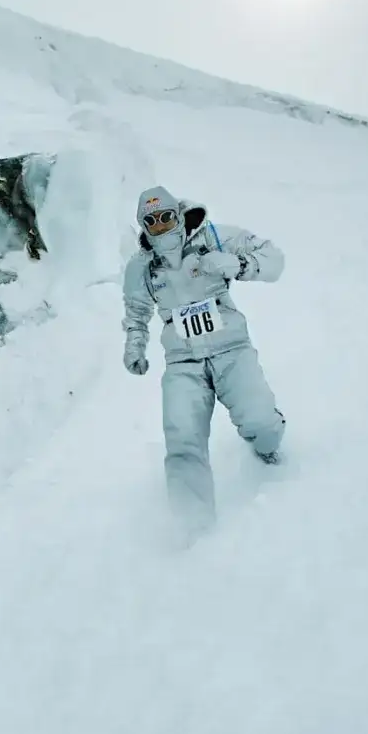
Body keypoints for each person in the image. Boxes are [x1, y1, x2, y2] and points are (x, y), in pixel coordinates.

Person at [121, 185, 286, 530]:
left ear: (179, 215)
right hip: (183, 363)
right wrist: (134, 345)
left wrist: (238, 264)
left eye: (167, 216)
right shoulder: (141, 267)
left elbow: (274, 260)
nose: (161, 225)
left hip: (231, 349)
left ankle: (266, 443)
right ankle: (191, 525)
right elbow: (136, 311)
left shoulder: (214, 238)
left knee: (262, 424)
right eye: (152, 221)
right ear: (143, 227)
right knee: (182, 440)